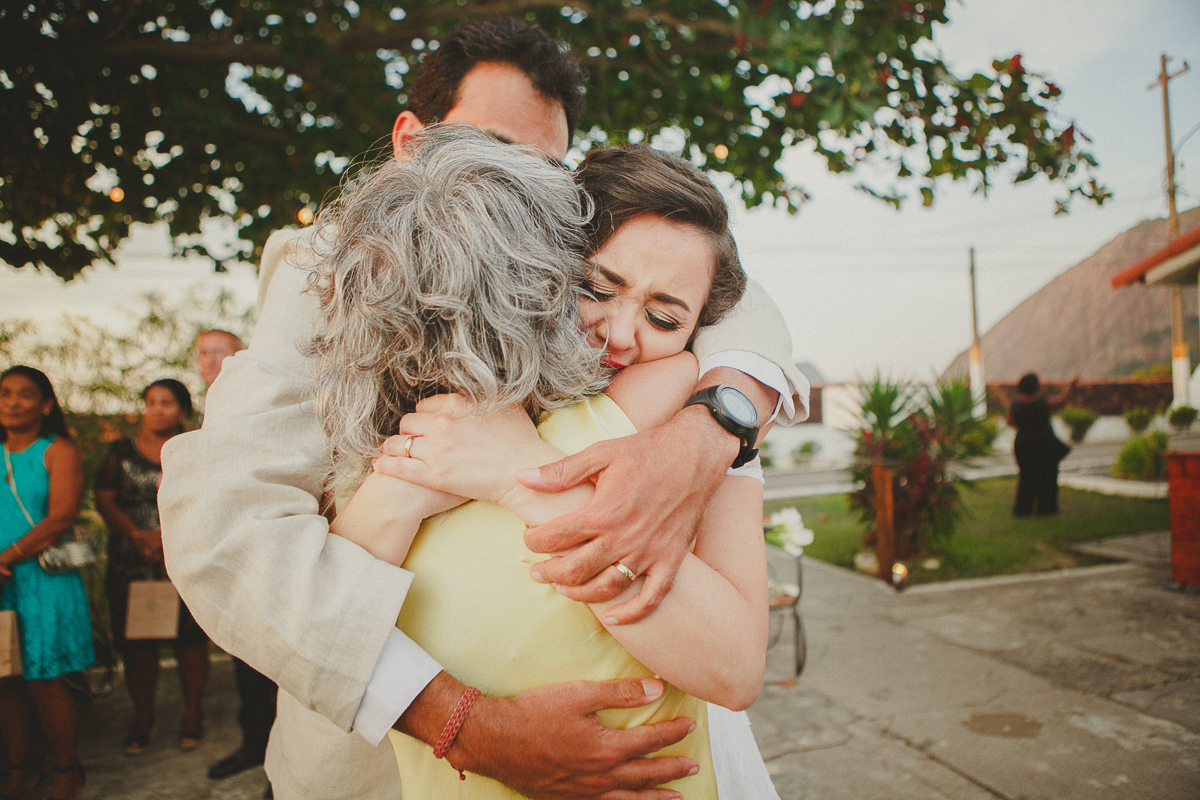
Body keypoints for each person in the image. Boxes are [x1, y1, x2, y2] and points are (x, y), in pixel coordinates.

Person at [159, 17, 807, 800]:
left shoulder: (570, 266)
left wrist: (714, 427)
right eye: (489, 150)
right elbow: (227, 530)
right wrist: (464, 723)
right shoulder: (321, 276)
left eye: (544, 169)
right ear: (408, 144)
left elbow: (713, 279)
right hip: (380, 767)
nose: (517, 188)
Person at [324, 131, 776, 798]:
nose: (619, 335)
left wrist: (519, 474)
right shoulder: (422, 422)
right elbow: (330, 619)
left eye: (663, 316)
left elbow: (736, 670)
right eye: (598, 288)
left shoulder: (688, 422)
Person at [95, 379, 209, 755]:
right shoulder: (120, 452)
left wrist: (165, 537)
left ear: (183, 410)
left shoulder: (194, 449)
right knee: (138, 642)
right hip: (132, 561)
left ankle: (193, 712)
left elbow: (205, 496)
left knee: (191, 639)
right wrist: (137, 537)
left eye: (167, 402)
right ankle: (142, 715)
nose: (157, 409)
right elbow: (106, 498)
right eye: (151, 402)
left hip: (182, 556)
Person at [0, 365, 92, 800]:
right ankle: (21, 768)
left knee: (44, 679)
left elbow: (61, 517)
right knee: (6, 677)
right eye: (5, 393)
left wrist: (6, 557)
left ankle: (67, 770)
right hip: (1, 581)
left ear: (46, 404)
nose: (13, 402)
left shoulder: (58, 450)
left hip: (41, 577)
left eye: (25, 394)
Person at [194, 331, 280, 787]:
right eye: (202, 353)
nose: (210, 361)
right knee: (242, 659)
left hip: (264, 543)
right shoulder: (197, 411)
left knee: (281, 665)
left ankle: (284, 765)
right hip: (219, 548)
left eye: (219, 352)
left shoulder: (260, 399)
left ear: (240, 355)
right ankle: (254, 742)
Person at [1008, 372, 1074, 516]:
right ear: (1036, 387)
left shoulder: (1016, 406)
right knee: (1047, 476)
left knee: (1026, 476)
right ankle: (1046, 508)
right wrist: (1070, 386)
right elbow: (1062, 402)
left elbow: (1010, 422)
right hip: (1043, 443)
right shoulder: (1043, 404)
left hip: (1023, 443)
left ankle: (1023, 509)